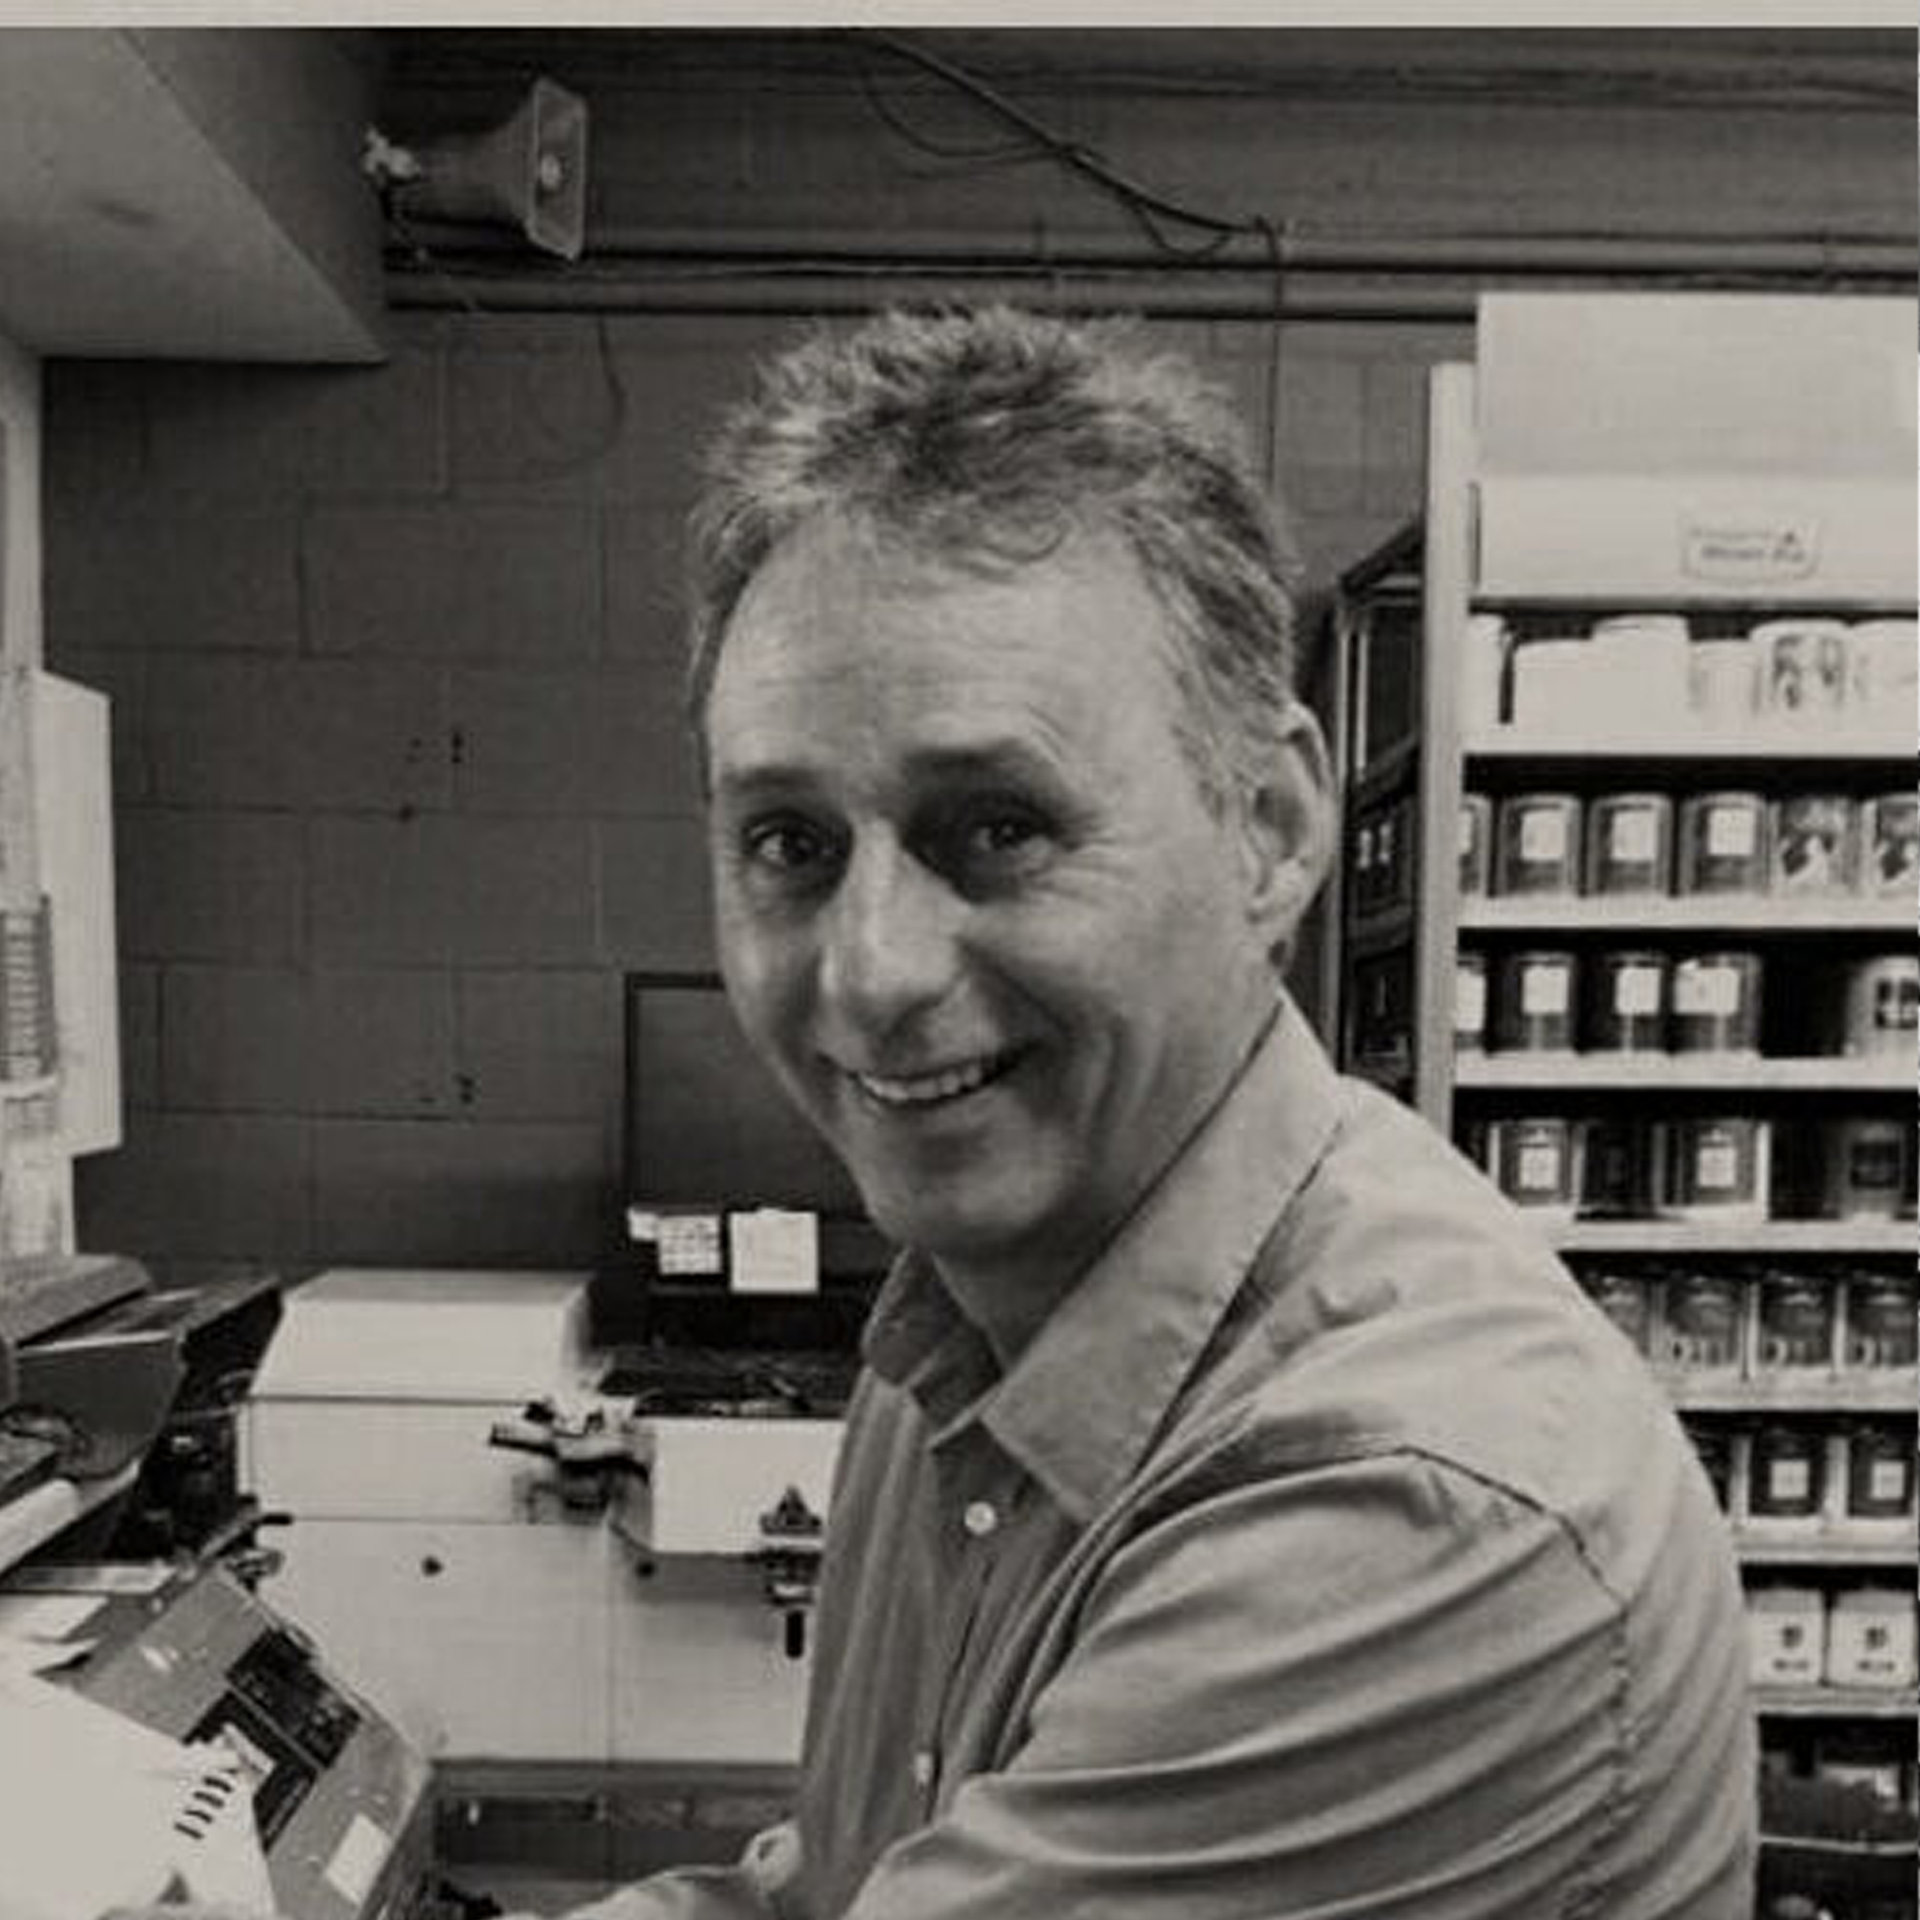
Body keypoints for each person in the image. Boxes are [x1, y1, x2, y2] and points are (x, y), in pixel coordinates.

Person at [109, 305, 1756, 1920]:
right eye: (789, 843)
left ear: (1269, 823)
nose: (873, 974)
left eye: (998, 828)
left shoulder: (1413, 1522)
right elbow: (830, 1888)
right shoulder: (970, 1320)